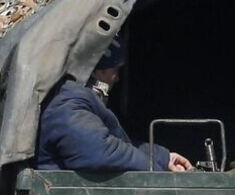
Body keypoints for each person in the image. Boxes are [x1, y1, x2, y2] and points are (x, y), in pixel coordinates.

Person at [36, 37, 193, 173]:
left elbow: (119, 144)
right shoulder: (67, 103)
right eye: (115, 70)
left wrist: (163, 158)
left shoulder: (76, 98)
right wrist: (158, 172)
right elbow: (100, 152)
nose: (117, 78)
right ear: (96, 70)